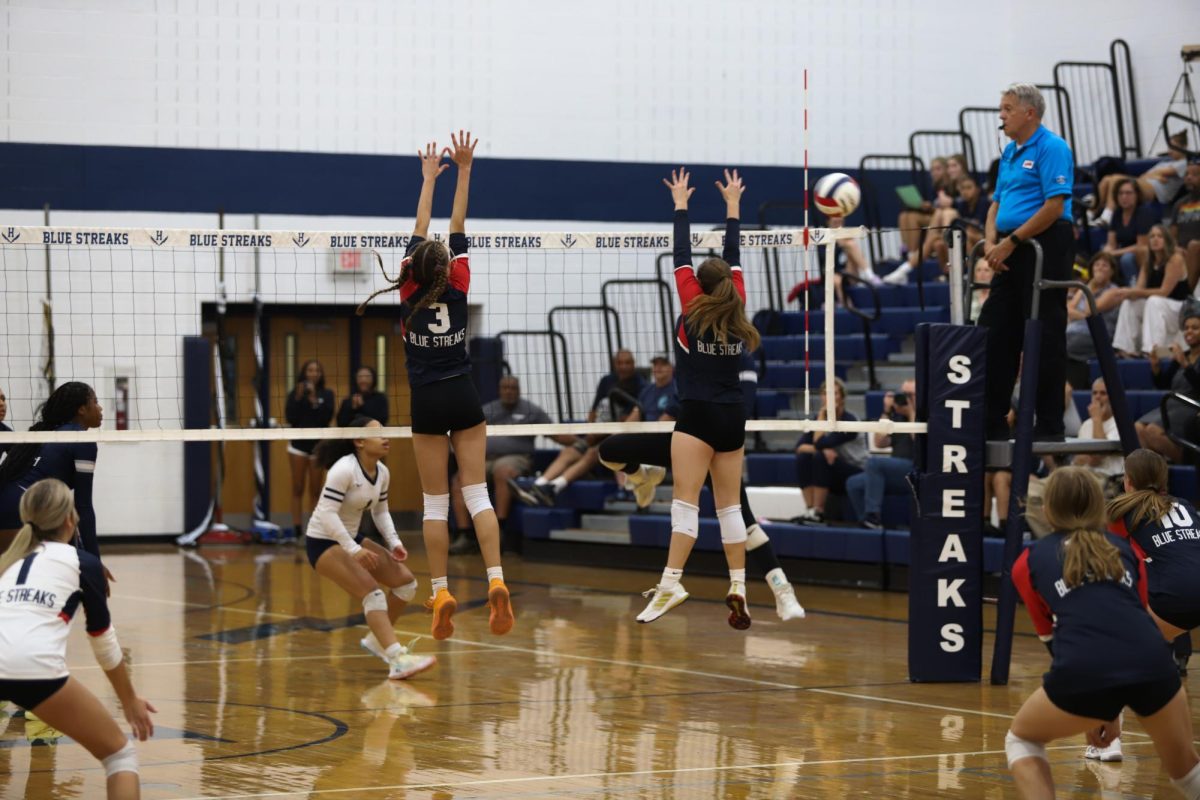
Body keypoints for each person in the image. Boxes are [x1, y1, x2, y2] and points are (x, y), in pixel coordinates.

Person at [357, 132, 513, 641]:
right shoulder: (461, 283)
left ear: (413, 270)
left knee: (433, 505)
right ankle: (496, 579)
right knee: (479, 496)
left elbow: (422, 228)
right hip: (463, 394)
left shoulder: (406, 285)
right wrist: (463, 171)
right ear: (445, 268)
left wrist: (427, 177)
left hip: (426, 401)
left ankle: (442, 590)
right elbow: (454, 225)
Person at [1008, 466, 1200, 798]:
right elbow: (1136, 620)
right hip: (1155, 662)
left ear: (1047, 507)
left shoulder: (1029, 561)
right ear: (1098, 503)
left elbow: (1052, 641)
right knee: (1186, 772)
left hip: (1084, 668)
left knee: (1022, 739)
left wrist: (1100, 709)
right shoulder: (1123, 549)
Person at [636, 167, 762, 627]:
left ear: (699, 284)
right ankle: (739, 586)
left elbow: (681, 254)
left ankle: (671, 583)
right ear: (728, 283)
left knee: (686, 502)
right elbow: (733, 255)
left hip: (696, 416)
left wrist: (681, 204)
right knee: (729, 506)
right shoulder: (739, 304)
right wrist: (733, 207)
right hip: (733, 417)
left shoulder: (691, 306)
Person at [0, 479, 155, 800]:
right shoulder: (82, 562)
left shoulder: (8, 563)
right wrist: (129, 701)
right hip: (33, 669)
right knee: (120, 757)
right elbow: (103, 641)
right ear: (70, 519)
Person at [597, 394, 806, 621]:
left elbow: (738, 402)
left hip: (719, 444)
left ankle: (782, 591)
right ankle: (642, 477)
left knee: (746, 524)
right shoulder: (697, 368)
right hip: (687, 439)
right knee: (608, 450)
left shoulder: (737, 367)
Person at [981, 83, 1075, 442]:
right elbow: (996, 203)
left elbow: (1054, 206)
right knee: (994, 332)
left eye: (1006, 109)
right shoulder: (1008, 152)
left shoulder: (1053, 147)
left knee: (1045, 334)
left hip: (1044, 245)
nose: (1001, 116)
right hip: (1010, 248)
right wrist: (993, 243)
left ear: (1029, 113)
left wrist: (1012, 241)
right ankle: (992, 420)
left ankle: (1049, 424)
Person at [306, 418, 435, 680]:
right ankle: (397, 658)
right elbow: (327, 515)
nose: (385, 437)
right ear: (359, 441)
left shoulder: (382, 472)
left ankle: (377, 641)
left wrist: (395, 542)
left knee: (405, 583)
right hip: (323, 541)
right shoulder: (343, 470)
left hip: (351, 538)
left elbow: (381, 511)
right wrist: (354, 550)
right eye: (377, 434)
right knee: (373, 595)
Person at [450, 375, 572, 554]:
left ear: (519, 390)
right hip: (485, 459)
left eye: (513, 388)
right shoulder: (488, 409)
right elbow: (468, 434)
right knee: (460, 479)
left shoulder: (531, 410)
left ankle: (500, 530)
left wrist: (581, 441)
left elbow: (555, 434)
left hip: (516, 458)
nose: (509, 391)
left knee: (503, 472)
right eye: (505, 388)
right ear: (500, 390)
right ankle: (465, 535)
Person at [0, 383, 105, 566]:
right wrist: (96, 562)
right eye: (95, 402)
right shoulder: (81, 439)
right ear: (82, 409)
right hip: (22, 508)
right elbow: (83, 505)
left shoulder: (46, 432)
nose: (100, 407)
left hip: (7, 502)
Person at [529, 349, 646, 506]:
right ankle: (539, 485)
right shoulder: (607, 381)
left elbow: (626, 421)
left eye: (627, 363)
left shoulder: (640, 385)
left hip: (618, 437)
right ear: (614, 364)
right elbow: (593, 410)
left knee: (593, 453)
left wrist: (597, 432)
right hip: (597, 433)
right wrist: (591, 429)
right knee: (570, 450)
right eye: (620, 363)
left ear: (633, 364)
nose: (623, 366)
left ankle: (554, 487)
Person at [793, 378, 867, 525]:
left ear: (842, 397)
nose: (830, 397)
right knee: (804, 457)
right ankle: (810, 510)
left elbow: (819, 442)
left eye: (835, 393)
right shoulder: (819, 419)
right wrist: (823, 448)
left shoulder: (849, 421)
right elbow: (800, 447)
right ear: (821, 397)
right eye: (826, 393)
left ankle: (819, 511)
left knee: (820, 456)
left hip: (855, 469)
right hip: (833, 468)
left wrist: (822, 447)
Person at [1111, 225, 1189, 359]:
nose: (1155, 239)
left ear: (1167, 240)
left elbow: (1164, 291)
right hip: (1161, 306)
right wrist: (1126, 293)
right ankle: (1126, 348)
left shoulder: (1175, 259)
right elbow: (1139, 290)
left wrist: (1134, 292)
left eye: (1160, 236)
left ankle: (1152, 350)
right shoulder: (1148, 262)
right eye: (1152, 236)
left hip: (1179, 309)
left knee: (1153, 300)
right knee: (1131, 302)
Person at [846, 379, 915, 529]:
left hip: (915, 470)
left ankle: (873, 516)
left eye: (910, 395)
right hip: (897, 472)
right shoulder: (897, 420)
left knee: (875, 463)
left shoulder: (923, 417)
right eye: (903, 394)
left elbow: (918, 440)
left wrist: (911, 412)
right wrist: (886, 411)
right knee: (853, 483)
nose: (906, 398)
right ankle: (868, 523)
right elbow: (879, 442)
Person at [1135, 310, 1200, 463]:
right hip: (1171, 405)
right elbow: (1163, 384)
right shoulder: (1182, 355)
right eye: (1187, 328)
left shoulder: (1182, 358)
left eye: (1195, 328)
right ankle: (1153, 475)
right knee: (1137, 428)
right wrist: (1155, 367)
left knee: (1153, 431)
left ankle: (1186, 461)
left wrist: (1186, 365)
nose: (1189, 331)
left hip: (1192, 406)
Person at [1091, 134, 1190, 225]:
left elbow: (1162, 173)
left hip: (1155, 192)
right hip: (1144, 183)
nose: (1170, 151)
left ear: (1183, 147)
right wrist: (1156, 176)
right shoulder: (1164, 163)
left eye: (1173, 147)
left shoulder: (1184, 163)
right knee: (1106, 179)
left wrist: (1154, 174)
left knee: (1116, 179)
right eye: (1169, 147)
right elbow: (1144, 175)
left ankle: (1107, 216)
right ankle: (1090, 213)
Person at [285, 359, 335, 538]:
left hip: (318, 446)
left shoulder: (327, 394)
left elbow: (326, 418)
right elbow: (291, 417)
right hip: (298, 445)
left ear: (320, 374)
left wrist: (314, 399)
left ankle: (314, 530)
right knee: (297, 487)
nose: (313, 373)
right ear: (304, 373)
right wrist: (298, 398)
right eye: (310, 370)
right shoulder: (295, 393)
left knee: (315, 490)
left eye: (316, 370)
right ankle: (297, 530)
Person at [1065, 252, 1123, 362]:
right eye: (1097, 265)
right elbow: (1068, 309)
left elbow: (1090, 310)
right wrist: (1084, 316)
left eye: (1104, 265)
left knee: (1061, 343)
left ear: (1112, 271)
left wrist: (1090, 286)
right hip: (1075, 331)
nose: (1100, 268)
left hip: (1099, 335)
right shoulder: (1085, 288)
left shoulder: (1114, 291)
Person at [1071, 378, 1124, 478]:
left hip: (1106, 478)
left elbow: (1097, 456)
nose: (1097, 397)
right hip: (1082, 475)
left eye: (1103, 393)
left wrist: (1097, 419)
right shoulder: (1086, 424)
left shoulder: (1121, 425)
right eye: (1094, 393)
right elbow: (1078, 460)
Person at [1104, 178, 1155, 263]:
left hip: (1144, 254)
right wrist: (1106, 252)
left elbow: (1142, 245)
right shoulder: (1117, 213)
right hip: (1122, 251)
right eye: (1120, 193)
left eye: (1128, 193)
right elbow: (1111, 243)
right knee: (1103, 258)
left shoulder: (1143, 212)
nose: (1124, 197)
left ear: (1137, 195)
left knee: (1127, 259)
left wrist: (1114, 253)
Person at [1166, 160, 1200, 289]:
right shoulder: (1179, 204)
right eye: (1187, 174)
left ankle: (1187, 295)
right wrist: (1175, 248)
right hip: (1183, 251)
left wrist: (1192, 250)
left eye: (1195, 174)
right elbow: (1172, 235)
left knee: (1194, 246)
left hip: (1196, 248)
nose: (1189, 177)